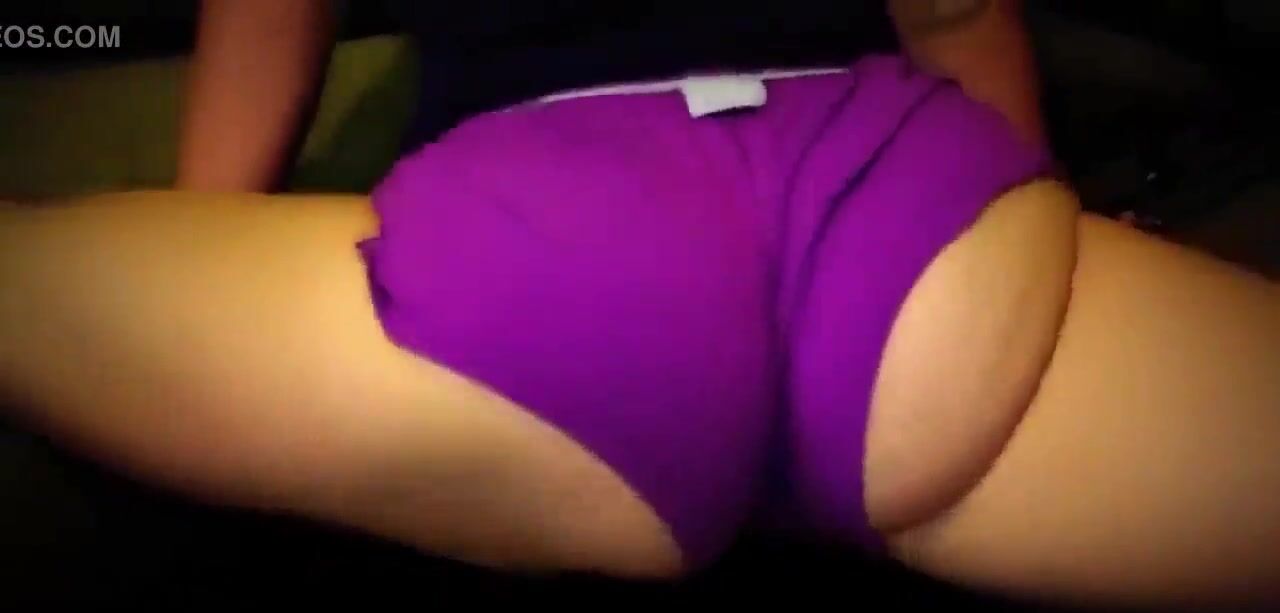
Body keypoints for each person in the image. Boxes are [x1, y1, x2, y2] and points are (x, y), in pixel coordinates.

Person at [3, 48, 1279, 611]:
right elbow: (950, 17)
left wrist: (201, 255)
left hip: (542, 232)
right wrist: (1020, 210)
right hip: (885, 190)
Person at [174, 0, 1045, 192]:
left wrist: (1034, 213)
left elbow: (955, 17)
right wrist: (205, 222)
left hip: (856, 158)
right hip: (500, 174)